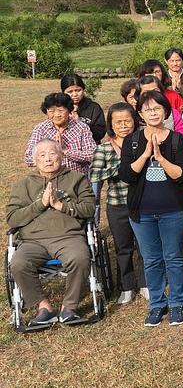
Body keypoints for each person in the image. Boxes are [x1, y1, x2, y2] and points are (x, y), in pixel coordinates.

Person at [119, 90, 183, 327]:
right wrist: (146, 154)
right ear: (140, 113)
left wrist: (160, 158)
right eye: (147, 109)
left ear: (166, 111)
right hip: (142, 213)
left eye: (157, 108)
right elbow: (127, 175)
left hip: (173, 211)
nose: (153, 112)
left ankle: (177, 303)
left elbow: (181, 175)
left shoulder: (176, 140)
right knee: (150, 259)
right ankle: (157, 304)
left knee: (173, 257)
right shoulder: (133, 141)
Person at [7, 139, 96, 326]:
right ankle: (43, 307)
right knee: (18, 263)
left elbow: (89, 209)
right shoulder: (23, 186)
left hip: (68, 237)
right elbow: (13, 218)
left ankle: (69, 307)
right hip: (33, 241)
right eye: (42, 155)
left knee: (80, 258)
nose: (48, 159)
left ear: (61, 156)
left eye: (52, 154)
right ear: (34, 160)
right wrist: (40, 205)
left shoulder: (76, 179)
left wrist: (60, 205)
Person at [89, 103, 146, 305]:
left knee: (144, 246)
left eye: (127, 121)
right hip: (117, 204)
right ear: (111, 125)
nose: (123, 125)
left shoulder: (143, 143)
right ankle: (126, 286)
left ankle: (145, 283)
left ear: (135, 121)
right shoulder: (103, 149)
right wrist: (121, 166)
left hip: (142, 202)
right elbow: (95, 176)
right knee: (123, 247)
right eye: (118, 122)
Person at [25, 93, 96, 175]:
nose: (56, 115)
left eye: (61, 110)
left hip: (77, 180)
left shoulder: (81, 128)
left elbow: (93, 155)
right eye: (51, 111)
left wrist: (65, 151)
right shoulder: (41, 129)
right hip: (49, 179)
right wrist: (51, 155)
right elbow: (28, 158)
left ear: (69, 110)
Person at [61, 74, 106, 144]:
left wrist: (80, 123)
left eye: (78, 90)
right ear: (63, 92)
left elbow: (100, 133)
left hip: (90, 147)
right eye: (70, 92)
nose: (75, 94)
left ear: (83, 90)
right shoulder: (59, 108)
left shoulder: (94, 108)